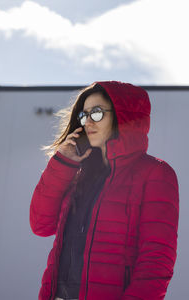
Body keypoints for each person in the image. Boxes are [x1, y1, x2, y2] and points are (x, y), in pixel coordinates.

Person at [30, 81, 179, 300]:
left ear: (123, 116)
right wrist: (62, 163)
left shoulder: (156, 173)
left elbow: (156, 262)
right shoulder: (79, 174)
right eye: (84, 115)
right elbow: (41, 225)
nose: (88, 121)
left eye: (97, 113)